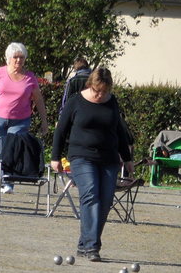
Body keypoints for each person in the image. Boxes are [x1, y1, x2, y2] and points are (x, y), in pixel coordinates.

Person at [50, 67, 133, 262]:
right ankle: (92, 246)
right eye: (97, 90)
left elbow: (120, 132)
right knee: (91, 194)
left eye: (104, 91)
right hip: (81, 156)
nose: (100, 95)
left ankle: (85, 244)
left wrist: (127, 159)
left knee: (105, 202)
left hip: (109, 158)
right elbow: (60, 131)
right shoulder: (75, 101)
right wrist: (55, 157)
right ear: (91, 85)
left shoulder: (112, 102)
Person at [0, 42, 48, 193]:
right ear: (8, 58)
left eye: (21, 57)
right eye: (15, 57)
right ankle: (4, 179)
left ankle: (9, 182)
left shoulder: (30, 77)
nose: (18, 60)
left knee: (14, 149)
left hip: (21, 120)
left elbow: (39, 100)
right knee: (1, 149)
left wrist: (44, 121)